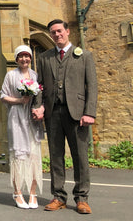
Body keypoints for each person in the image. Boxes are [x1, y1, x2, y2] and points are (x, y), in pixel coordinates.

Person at [32, 19, 97, 214]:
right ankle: (58, 196)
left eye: (59, 31)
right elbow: (39, 87)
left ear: (67, 32)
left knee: (80, 157)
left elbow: (91, 86)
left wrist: (89, 112)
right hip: (53, 114)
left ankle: (82, 198)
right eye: (53, 32)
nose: (57, 35)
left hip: (77, 115)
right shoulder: (44, 58)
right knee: (56, 157)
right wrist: (39, 106)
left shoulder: (84, 55)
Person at [0, 45, 44, 209]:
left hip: (32, 119)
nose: (24, 59)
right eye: (21, 56)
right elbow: (3, 96)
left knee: (33, 156)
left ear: (31, 58)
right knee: (18, 157)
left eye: (27, 56)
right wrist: (20, 101)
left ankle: (32, 193)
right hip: (17, 117)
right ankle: (18, 193)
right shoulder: (10, 75)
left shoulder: (35, 75)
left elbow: (40, 97)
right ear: (16, 59)